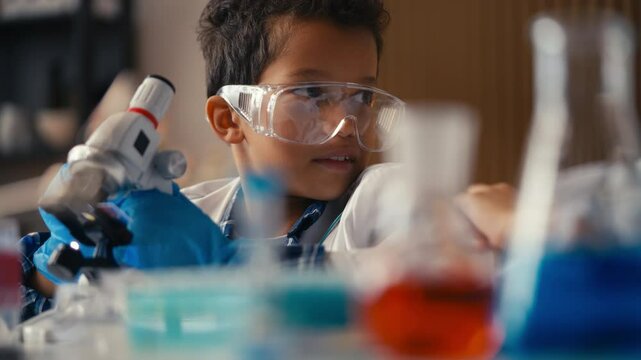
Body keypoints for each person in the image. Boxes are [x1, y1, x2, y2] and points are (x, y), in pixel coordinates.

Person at [20, 0, 515, 320]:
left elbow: (426, 259)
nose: (345, 124)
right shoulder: (193, 215)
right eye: (312, 93)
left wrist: (212, 272)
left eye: (362, 96)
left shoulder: (378, 196)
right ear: (229, 119)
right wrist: (63, 266)